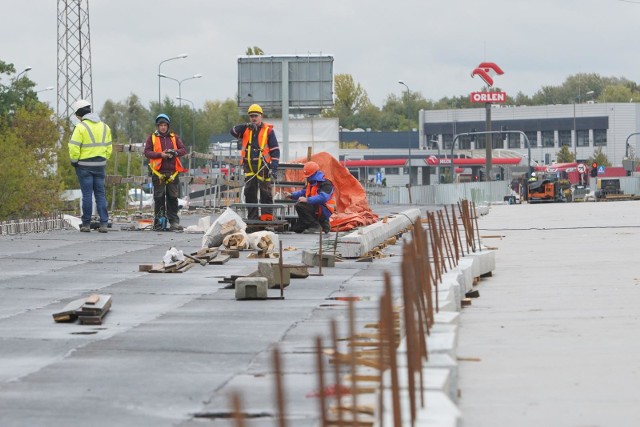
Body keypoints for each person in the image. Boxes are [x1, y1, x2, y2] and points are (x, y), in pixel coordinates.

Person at [68, 99, 112, 233]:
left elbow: (74, 147)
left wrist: (74, 161)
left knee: (87, 194)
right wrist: (103, 159)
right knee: (100, 193)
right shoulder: (105, 126)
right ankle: (104, 223)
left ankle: (86, 224)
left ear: (79, 114)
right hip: (100, 165)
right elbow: (109, 148)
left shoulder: (80, 127)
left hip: (84, 166)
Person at [230, 104, 280, 221]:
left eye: (256, 116)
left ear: (261, 116)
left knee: (265, 193)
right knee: (249, 192)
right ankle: (252, 218)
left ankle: (266, 219)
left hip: (264, 168)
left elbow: (275, 151)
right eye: (251, 116)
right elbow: (232, 131)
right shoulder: (246, 130)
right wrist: (245, 126)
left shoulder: (268, 131)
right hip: (249, 168)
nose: (253, 118)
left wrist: (274, 168)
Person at [144, 114, 187, 231]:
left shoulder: (174, 138)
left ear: (168, 126)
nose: (163, 127)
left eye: (165, 125)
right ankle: (159, 222)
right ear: (157, 126)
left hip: (172, 173)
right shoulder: (152, 138)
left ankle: (174, 222)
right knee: (159, 198)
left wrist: (174, 152)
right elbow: (147, 152)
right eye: (161, 125)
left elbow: (183, 150)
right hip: (158, 173)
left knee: (173, 198)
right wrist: (160, 155)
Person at [286, 161, 336, 234]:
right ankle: (323, 224)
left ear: (315, 173)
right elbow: (303, 192)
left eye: (309, 176)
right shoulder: (311, 183)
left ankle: (315, 226)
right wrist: (292, 195)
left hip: (325, 209)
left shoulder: (326, 183)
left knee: (300, 205)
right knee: (297, 229)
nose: (308, 178)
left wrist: (307, 200)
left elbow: (323, 197)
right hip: (317, 208)